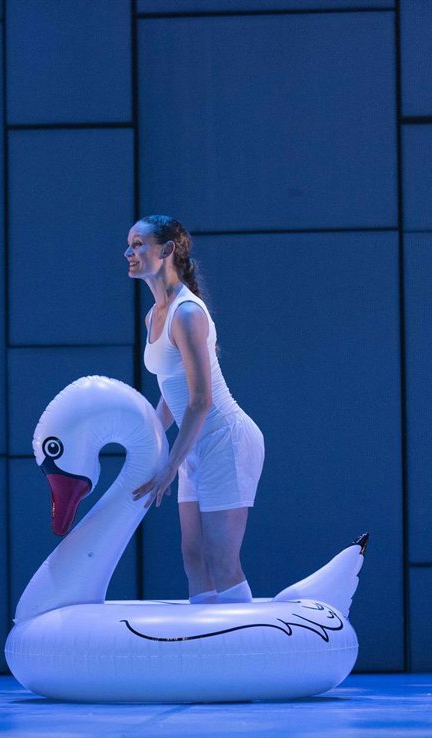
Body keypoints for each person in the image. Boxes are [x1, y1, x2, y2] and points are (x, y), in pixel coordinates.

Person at [127, 215, 265, 605]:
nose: (129, 253)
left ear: (167, 250)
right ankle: (203, 642)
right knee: (193, 557)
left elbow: (201, 399)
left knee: (222, 559)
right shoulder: (154, 315)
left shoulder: (187, 313)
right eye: (129, 245)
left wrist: (169, 466)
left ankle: (245, 642)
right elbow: (173, 394)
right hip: (194, 446)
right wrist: (149, 444)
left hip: (226, 441)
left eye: (138, 245)